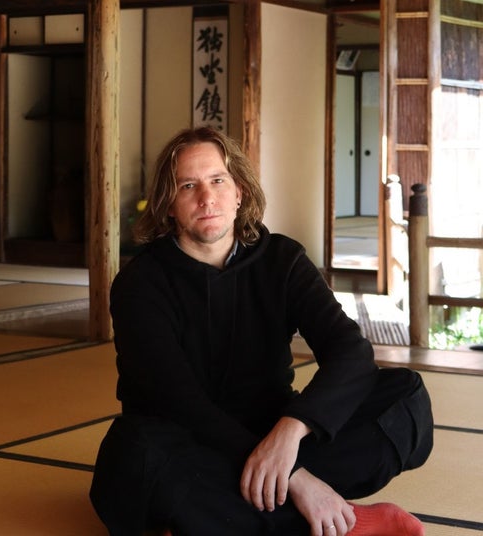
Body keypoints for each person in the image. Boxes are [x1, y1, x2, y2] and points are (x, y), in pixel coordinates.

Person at [90, 127, 433, 536]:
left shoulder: (282, 260)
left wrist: (290, 433)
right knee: (133, 456)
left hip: (273, 427)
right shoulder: (141, 283)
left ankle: (222, 519)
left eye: (218, 180)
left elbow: (351, 353)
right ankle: (345, 521)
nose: (206, 197)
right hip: (188, 442)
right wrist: (298, 477)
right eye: (188, 185)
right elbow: (180, 403)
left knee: (405, 398)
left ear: (239, 191)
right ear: (169, 205)